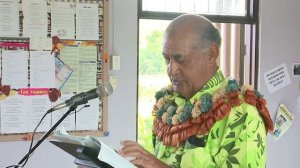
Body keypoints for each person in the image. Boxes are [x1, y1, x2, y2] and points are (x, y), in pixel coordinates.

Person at [119, 14, 274, 168]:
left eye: (180, 59)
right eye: (167, 59)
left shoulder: (243, 115)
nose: (171, 70)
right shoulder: (168, 105)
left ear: (211, 54)